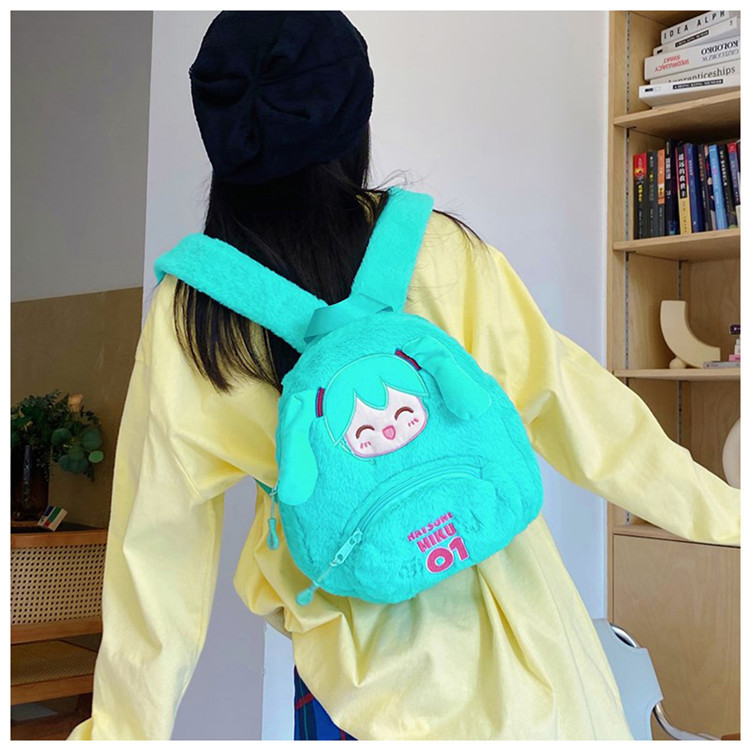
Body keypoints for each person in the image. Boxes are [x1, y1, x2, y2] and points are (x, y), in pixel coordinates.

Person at [66, 11, 740, 741]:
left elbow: (156, 547)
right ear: (353, 116)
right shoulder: (438, 250)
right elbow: (581, 410)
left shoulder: (195, 315)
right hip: (528, 653)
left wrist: (123, 731)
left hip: (359, 686)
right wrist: (729, 518)